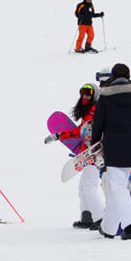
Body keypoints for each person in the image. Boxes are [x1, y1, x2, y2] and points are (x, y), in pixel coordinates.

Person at [90, 64, 131, 240]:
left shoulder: (105, 98)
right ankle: (108, 228)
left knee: (116, 187)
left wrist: (95, 147)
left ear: (113, 77)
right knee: (118, 186)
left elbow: (97, 125)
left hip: (113, 147)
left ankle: (130, 224)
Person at [45, 83, 103, 229]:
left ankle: (100, 219)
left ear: (94, 95)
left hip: (94, 151)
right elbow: (80, 131)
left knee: (89, 185)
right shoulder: (90, 110)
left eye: (88, 93)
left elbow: (91, 131)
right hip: (88, 151)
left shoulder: (97, 110)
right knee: (84, 185)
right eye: (83, 93)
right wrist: (59, 135)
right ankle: (87, 216)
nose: (85, 96)